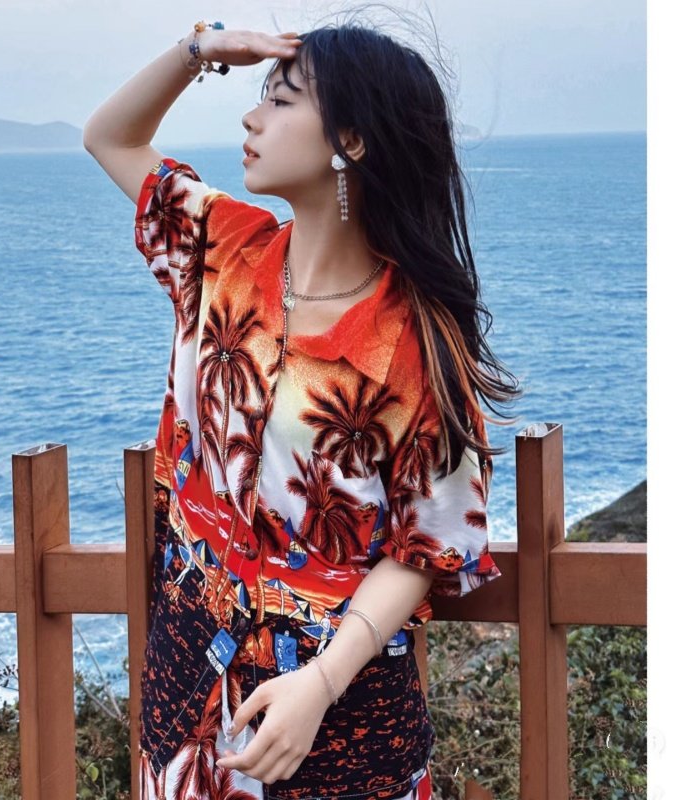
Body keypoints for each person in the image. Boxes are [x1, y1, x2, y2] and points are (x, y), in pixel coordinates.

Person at [83, 8, 521, 799]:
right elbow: (109, 138)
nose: (252, 119)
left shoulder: (413, 339)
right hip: (187, 712)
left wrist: (320, 683)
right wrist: (199, 51)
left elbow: (426, 546)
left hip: (339, 734)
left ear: (350, 140)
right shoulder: (223, 249)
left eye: (281, 100)